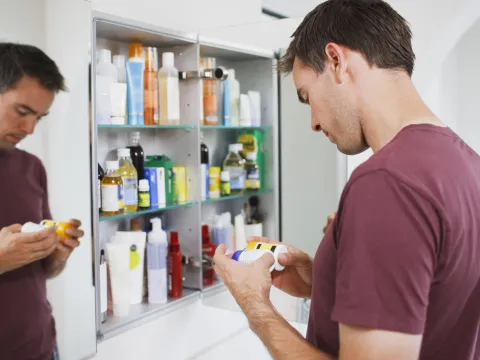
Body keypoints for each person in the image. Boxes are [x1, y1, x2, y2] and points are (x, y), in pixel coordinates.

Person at [213, 0, 480, 359]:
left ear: (337, 61)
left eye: (307, 97)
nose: (314, 122)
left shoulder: (386, 183)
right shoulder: (465, 163)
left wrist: (255, 307)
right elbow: (435, 297)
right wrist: (323, 278)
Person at [0, 43, 84, 360]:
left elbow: (42, 272)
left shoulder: (31, 168)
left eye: (40, 117)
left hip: (42, 348)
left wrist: (56, 254)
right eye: (22, 112)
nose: (30, 128)